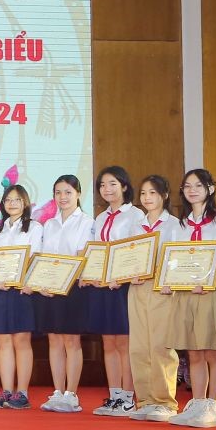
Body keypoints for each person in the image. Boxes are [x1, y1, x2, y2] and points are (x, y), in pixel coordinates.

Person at [166, 168, 216, 429]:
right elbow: (173, 261)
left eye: (198, 185)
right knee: (194, 351)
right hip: (185, 295)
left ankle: (212, 407)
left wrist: (209, 281)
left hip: (211, 294)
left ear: (210, 189)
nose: (192, 190)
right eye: (187, 186)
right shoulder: (179, 225)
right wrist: (168, 280)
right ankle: (197, 403)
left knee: (213, 351)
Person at [87, 166, 145, 417]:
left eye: (112, 184)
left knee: (124, 343)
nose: (106, 189)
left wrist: (120, 277)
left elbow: (137, 251)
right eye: (102, 185)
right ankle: (114, 396)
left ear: (124, 186)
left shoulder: (135, 215)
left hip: (124, 287)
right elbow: (95, 251)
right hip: (102, 287)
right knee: (108, 342)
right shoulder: (100, 218)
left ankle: (128, 398)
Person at [126, 175, 184, 422]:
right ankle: (146, 400)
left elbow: (179, 258)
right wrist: (129, 273)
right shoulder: (136, 225)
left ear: (165, 196)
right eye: (143, 193)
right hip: (137, 288)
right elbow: (128, 256)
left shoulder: (175, 225)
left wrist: (171, 281)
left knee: (161, 346)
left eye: (152, 193)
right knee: (139, 346)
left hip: (163, 289)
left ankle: (165, 402)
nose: (147, 198)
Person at [36, 174, 91, 413]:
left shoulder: (86, 222)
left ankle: (71, 394)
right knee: (54, 340)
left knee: (71, 340)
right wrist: (43, 282)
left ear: (78, 194)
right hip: (50, 289)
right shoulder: (49, 224)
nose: (63, 197)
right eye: (58, 193)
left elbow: (81, 257)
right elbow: (44, 258)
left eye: (68, 192)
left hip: (73, 288)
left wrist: (60, 280)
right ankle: (57, 391)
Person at [0, 185, 42, 410]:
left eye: (17, 200)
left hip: (21, 291)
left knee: (21, 341)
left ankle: (22, 393)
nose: (12, 203)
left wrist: (26, 282)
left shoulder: (34, 227)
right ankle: (7, 391)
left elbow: (35, 257)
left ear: (25, 202)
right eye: (8, 200)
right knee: (3, 342)